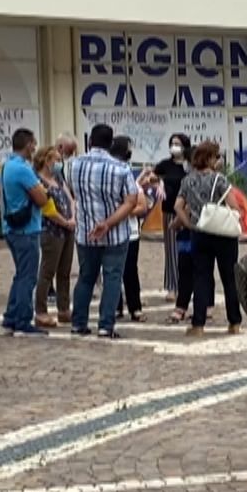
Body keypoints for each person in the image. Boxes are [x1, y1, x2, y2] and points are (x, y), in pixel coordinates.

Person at [67, 125, 144, 338]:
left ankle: (78, 322)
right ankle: (105, 325)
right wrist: (108, 223)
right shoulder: (121, 168)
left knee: (86, 277)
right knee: (112, 278)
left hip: (86, 231)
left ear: (90, 141)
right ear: (111, 144)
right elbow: (131, 202)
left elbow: (74, 193)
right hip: (115, 232)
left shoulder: (74, 165)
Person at [178, 141, 244, 335]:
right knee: (229, 278)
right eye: (216, 156)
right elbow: (234, 206)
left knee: (201, 277)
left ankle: (198, 324)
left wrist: (189, 224)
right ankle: (234, 322)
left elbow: (178, 206)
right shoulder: (220, 180)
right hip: (223, 234)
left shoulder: (188, 180)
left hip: (200, 233)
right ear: (210, 158)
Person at [0, 128, 50, 337]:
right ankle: (22, 321)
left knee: (21, 275)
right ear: (28, 145)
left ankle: (10, 318)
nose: (35, 148)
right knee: (27, 277)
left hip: (11, 227)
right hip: (26, 229)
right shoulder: (22, 169)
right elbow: (41, 198)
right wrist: (44, 191)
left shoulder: (7, 165)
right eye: (33, 144)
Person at [115, 137, 159, 323]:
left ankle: (135, 307)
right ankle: (115, 307)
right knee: (110, 271)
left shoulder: (128, 176)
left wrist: (121, 213)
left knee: (130, 271)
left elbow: (141, 206)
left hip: (130, 233)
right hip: (110, 232)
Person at [33, 145, 76, 328]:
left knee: (65, 271)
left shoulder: (58, 178)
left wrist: (72, 217)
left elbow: (70, 198)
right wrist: (64, 222)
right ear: (46, 160)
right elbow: (47, 209)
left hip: (68, 229)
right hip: (51, 230)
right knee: (47, 271)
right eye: (56, 160)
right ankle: (41, 310)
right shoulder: (38, 180)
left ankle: (64, 309)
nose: (59, 163)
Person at [156, 133, 191, 303]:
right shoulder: (165, 165)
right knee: (171, 250)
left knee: (188, 250)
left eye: (178, 144)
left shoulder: (189, 166)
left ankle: (187, 286)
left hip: (188, 211)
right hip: (169, 210)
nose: (174, 147)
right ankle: (172, 286)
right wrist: (159, 183)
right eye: (172, 143)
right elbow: (152, 177)